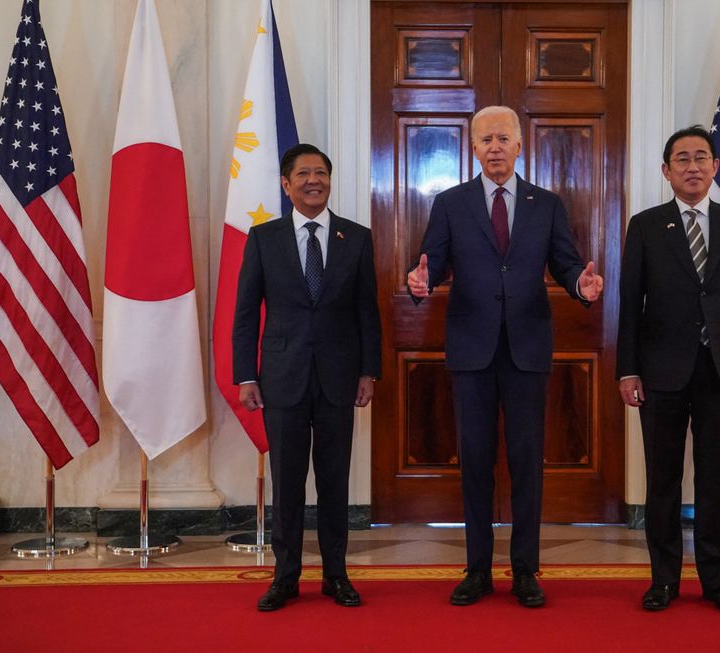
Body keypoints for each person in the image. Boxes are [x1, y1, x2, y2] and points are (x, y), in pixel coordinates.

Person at [407, 106, 604, 608]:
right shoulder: (451, 203)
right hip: (471, 349)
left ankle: (524, 570)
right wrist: (420, 281)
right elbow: (432, 261)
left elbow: (566, 262)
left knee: (525, 463)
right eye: (485, 139)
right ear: (472, 148)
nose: (494, 147)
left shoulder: (547, 203)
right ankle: (476, 570)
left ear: (520, 146)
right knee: (474, 462)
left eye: (503, 138)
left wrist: (580, 284)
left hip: (527, 348)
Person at [617, 125, 720, 615]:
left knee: (713, 482)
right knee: (662, 480)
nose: (692, 166)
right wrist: (627, 370)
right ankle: (662, 580)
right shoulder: (645, 225)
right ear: (666, 171)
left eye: (701, 157)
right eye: (681, 159)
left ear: (716, 166)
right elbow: (629, 305)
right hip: (660, 372)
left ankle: (716, 580)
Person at [233, 143, 381, 612]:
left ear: (330, 181)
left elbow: (366, 312)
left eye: (321, 173)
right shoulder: (263, 238)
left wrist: (368, 371)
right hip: (282, 377)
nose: (313, 180)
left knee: (335, 481)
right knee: (288, 480)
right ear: (286, 184)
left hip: (340, 378)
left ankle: (337, 575)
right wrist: (245, 375)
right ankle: (285, 576)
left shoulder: (355, 238)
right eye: (303, 174)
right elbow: (243, 314)